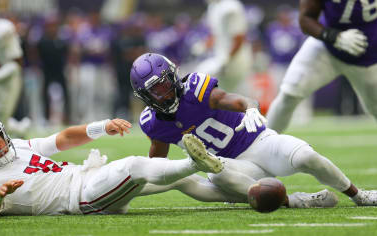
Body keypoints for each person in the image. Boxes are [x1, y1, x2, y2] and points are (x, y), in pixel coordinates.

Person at [130, 52, 377, 208]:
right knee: (214, 172)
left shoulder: (195, 88)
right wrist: (129, 186)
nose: (165, 93)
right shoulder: (154, 123)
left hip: (258, 142)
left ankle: (358, 195)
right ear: (144, 96)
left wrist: (251, 109)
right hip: (231, 167)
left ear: (173, 75)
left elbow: (239, 100)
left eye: (165, 84)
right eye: (156, 90)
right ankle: (297, 201)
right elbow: (157, 166)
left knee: (306, 156)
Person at [0, 114, 223, 217]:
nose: (1, 145)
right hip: (80, 197)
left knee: (177, 180)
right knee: (135, 166)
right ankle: (193, 162)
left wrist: (101, 127)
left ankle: (237, 194)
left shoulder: (20, 146)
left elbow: (62, 139)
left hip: (88, 177)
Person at [266, 0, 377, 133]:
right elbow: (305, 19)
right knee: (289, 93)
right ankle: (262, 144)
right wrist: (335, 37)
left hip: (369, 58)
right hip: (327, 48)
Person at [195, 0, 252, 94]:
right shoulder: (213, 7)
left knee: (234, 95)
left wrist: (227, 59)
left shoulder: (231, 7)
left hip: (236, 61)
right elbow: (216, 34)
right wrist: (203, 46)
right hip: (221, 59)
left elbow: (239, 38)